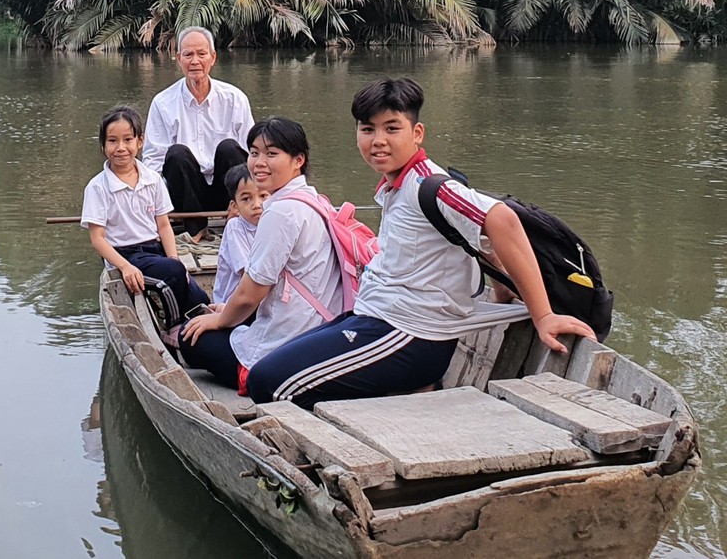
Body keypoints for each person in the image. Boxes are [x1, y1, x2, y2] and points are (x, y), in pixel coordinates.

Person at [244, 77, 594, 407]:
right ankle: (407, 391)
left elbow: (501, 220)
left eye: (392, 128)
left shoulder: (431, 185)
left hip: (409, 333)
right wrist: (502, 286)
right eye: (368, 130)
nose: (378, 140)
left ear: (417, 133)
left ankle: (407, 392)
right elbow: (470, 236)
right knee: (268, 362)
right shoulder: (399, 184)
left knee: (268, 384)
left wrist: (543, 314)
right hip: (378, 317)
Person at [179, 117, 343, 394]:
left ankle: (248, 372)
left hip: (291, 336)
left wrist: (220, 320)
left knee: (190, 338)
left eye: (272, 153)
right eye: (254, 153)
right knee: (223, 318)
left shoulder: (280, 212)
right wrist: (228, 312)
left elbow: (249, 295)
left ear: (298, 160)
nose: (259, 162)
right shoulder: (315, 199)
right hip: (323, 325)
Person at [81, 105, 209, 320]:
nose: (121, 147)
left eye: (128, 140)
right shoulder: (97, 187)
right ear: (103, 145)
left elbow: (163, 225)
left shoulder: (153, 179)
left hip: (153, 250)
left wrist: (174, 258)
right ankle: (175, 325)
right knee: (171, 276)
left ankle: (200, 312)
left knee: (198, 294)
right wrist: (125, 267)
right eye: (113, 141)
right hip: (124, 254)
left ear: (140, 141)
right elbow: (97, 238)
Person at [143, 27, 255, 235]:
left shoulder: (234, 98)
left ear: (213, 58)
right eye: (188, 54)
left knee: (230, 148)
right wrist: (151, 207)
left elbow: (252, 154)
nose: (195, 61)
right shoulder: (163, 102)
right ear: (178, 59)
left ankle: (238, 221)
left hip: (226, 190)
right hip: (186, 195)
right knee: (176, 153)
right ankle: (195, 231)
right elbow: (154, 161)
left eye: (201, 54)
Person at [211, 165, 268, 305]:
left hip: (261, 297)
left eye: (263, 196)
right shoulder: (235, 227)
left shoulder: (273, 224)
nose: (257, 204)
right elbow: (247, 275)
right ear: (235, 206)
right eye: (246, 199)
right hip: (234, 303)